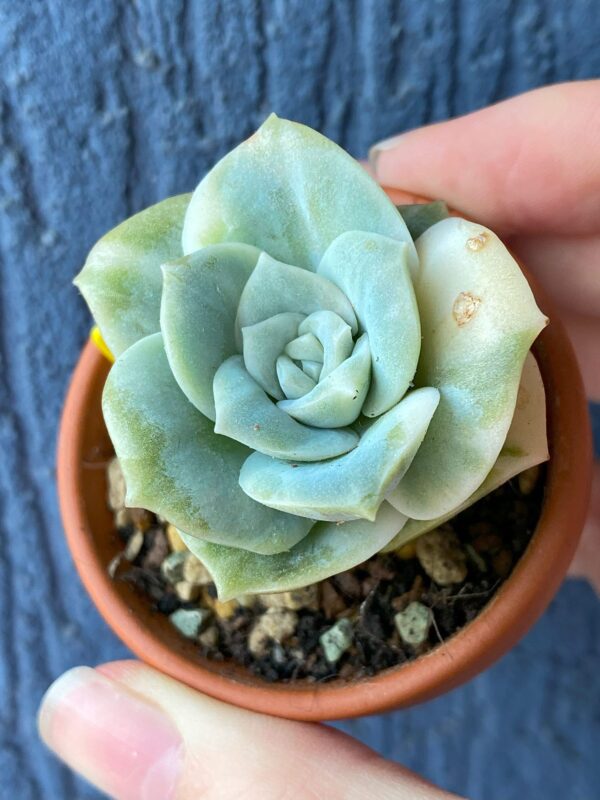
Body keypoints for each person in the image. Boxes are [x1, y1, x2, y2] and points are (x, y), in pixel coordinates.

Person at [37, 81, 599, 800]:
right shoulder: (209, 365)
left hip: (404, 456)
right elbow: (128, 278)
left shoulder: (402, 314)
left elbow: (490, 368)